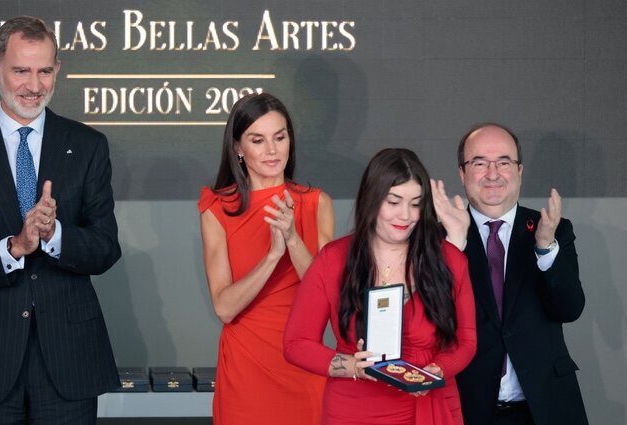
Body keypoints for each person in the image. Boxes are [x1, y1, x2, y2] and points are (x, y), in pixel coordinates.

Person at [0, 16, 121, 424]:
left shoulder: (87, 146)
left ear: (57, 72)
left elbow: (105, 247)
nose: (34, 86)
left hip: (69, 360)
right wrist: (14, 247)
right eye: (21, 71)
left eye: (44, 71)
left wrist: (54, 235)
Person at [284, 148, 476, 425]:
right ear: (372, 199)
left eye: (416, 203)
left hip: (429, 406)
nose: (406, 215)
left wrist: (437, 371)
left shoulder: (450, 260)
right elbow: (296, 344)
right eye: (394, 202)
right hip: (352, 409)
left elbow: (467, 341)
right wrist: (352, 366)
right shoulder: (333, 260)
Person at [431, 123, 587, 425]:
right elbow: (429, 318)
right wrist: (454, 243)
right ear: (462, 174)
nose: (493, 174)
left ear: (519, 170)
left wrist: (545, 248)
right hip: (466, 406)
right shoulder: (437, 238)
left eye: (504, 162)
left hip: (545, 406)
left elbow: (570, 308)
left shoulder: (553, 230)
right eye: (479, 163)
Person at [198, 93, 334, 424]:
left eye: (280, 137)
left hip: (304, 364)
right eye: (258, 140)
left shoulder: (316, 203)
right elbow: (224, 308)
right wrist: (273, 255)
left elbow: (328, 293)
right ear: (238, 148)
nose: (272, 151)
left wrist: (291, 238)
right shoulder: (217, 208)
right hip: (247, 371)